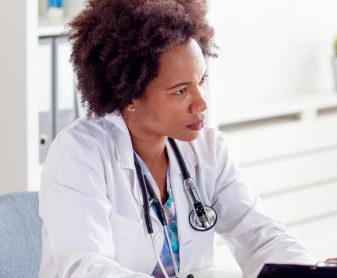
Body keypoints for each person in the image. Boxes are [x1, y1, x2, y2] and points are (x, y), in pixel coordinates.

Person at [38, 0, 315, 277]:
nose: (201, 103)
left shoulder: (207, 150)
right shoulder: (79, 152)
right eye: (181, 91)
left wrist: (311, 273)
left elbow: (261, 236)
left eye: (201, 81)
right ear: (130, 96)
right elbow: (85, 268)